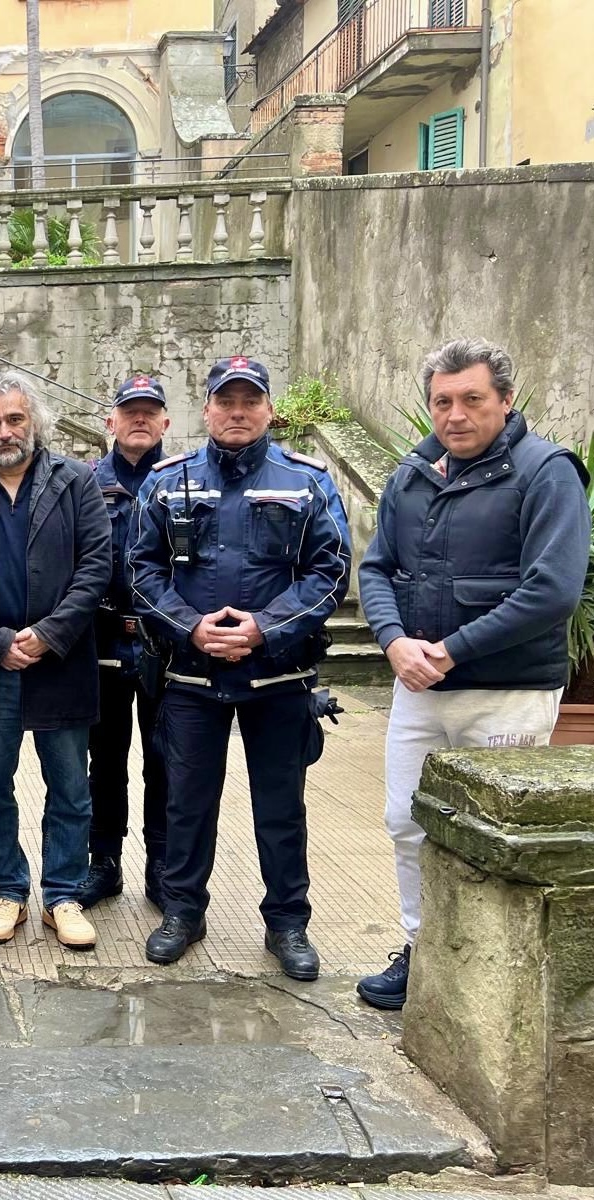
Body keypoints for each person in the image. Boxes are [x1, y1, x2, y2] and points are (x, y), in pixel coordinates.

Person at [356, 337, 590, 1010]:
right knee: (405, 821)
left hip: (506, 693)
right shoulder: (411, 473)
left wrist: (451, 650)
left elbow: (551, 591)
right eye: (441, 401)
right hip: (419, 686)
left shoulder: (546, 472)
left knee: (495, 837)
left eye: (470, 400)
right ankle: (422, 951)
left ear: (505, 399)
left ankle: (490, 972)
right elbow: (376, 569)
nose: (454, 415)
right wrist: (394, 640)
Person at [130, 356, 350, 981]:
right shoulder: (167, 482)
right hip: (192, 679)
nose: (236, 411)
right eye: (225, 400)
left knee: (280, 808)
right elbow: (140, 569)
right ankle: (182, 912)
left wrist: (264, 628)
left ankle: (287, 923)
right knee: (185, 804)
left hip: (277, 679)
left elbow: (330, 569)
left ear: (268, 410)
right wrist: (188, 625)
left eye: (249, 401)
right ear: (205, 410)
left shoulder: (304, 481)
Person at [0, 372, 112, 951]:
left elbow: (95, 569)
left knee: (70, 786)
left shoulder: (77, 484)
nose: (5, 431)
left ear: (35, 422)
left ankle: (62, 894)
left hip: (59, 661)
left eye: (15, 418)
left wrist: (48, 634)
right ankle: (7, 889)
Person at [81, 374, 171, 909]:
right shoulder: (85, 483)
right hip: (102, 639)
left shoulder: (183, 479)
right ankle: (104, 863)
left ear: (165, 421)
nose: (139, 419)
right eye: (129, 410)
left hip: (165, 642)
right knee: (105, 759)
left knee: (165, 761)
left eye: (149, 411)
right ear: (110, 421)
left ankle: (161, 867)